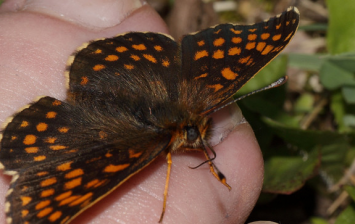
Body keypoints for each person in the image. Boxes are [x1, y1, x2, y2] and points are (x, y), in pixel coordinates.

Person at [0, 0, 264, 223]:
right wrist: (163, 205)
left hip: (120, 71)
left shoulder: (170, 123)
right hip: (118, 91)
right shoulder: (165, 139)